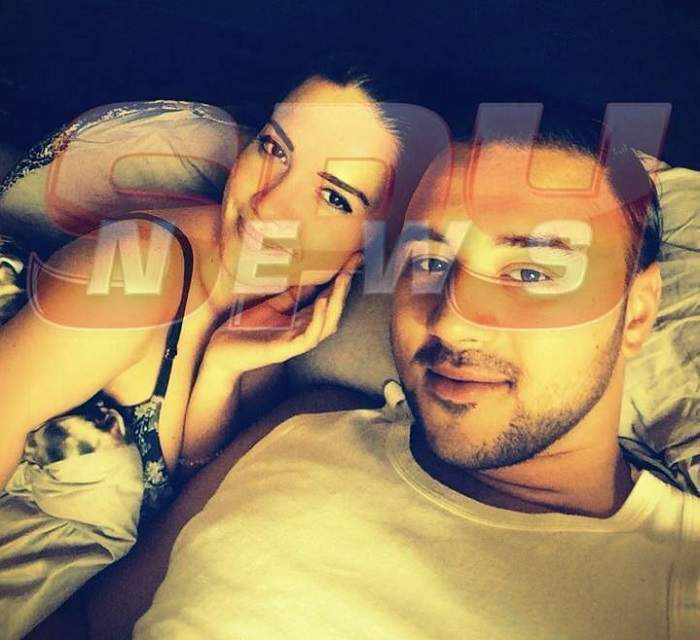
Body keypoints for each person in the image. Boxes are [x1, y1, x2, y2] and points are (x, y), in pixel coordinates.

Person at [130, 125, 699, 639]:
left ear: (638, 314)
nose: (451, 321)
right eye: (429, 262)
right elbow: (100, 620)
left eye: (530, 273)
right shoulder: (306, 424)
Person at [0, 70, 406, 639]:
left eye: (334, 197)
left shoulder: (273, 305)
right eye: (274, 149)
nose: (268, 204)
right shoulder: (132, 276)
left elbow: (181, 499)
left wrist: (221, 369)